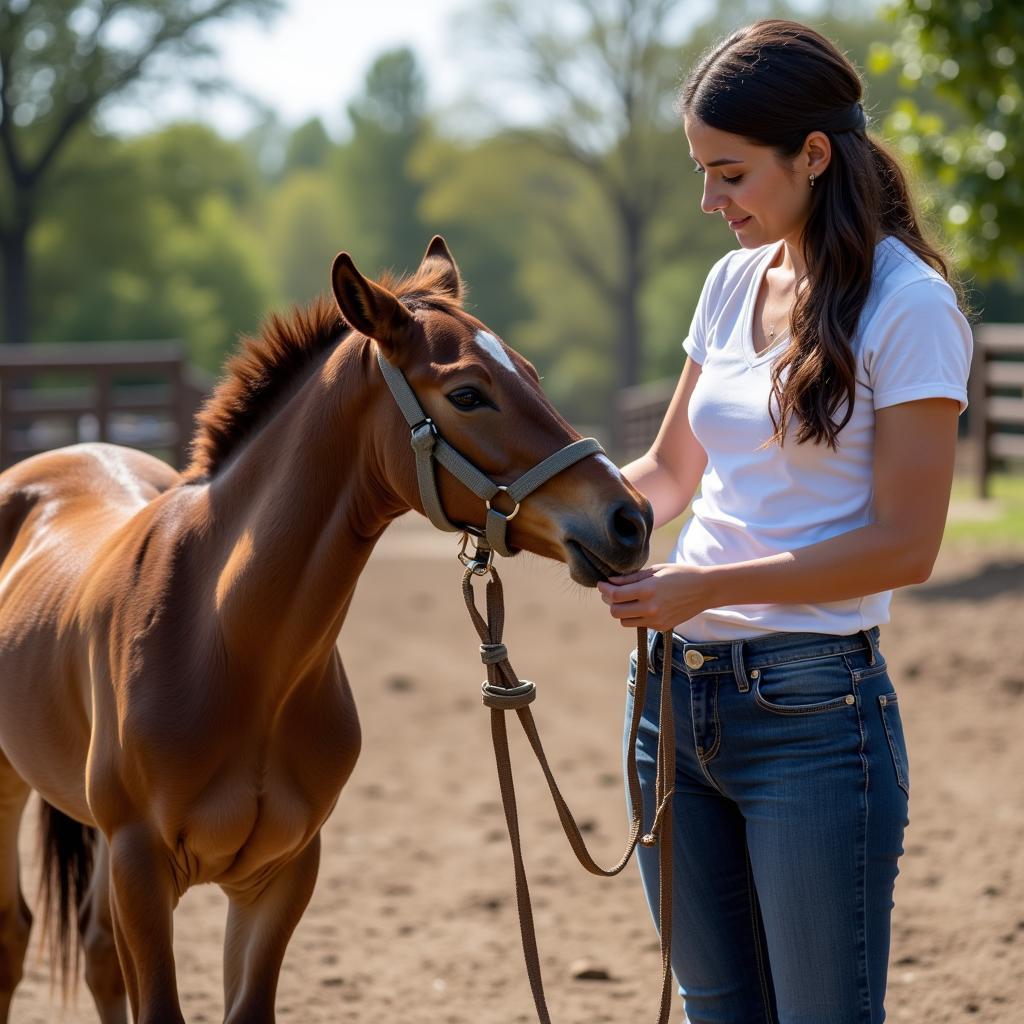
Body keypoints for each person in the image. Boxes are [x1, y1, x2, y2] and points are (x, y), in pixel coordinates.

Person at [597, 18, 973, 1024]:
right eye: (700, 172)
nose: (708, 200)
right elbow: (668, 474)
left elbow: (907, 542)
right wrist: (552, 508)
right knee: (720, 1012)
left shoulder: (908, 303)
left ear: (811, 155)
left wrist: (704, 587)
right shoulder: (729, 284)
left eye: (728, 174)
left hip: (811, 712)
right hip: (672, 706)